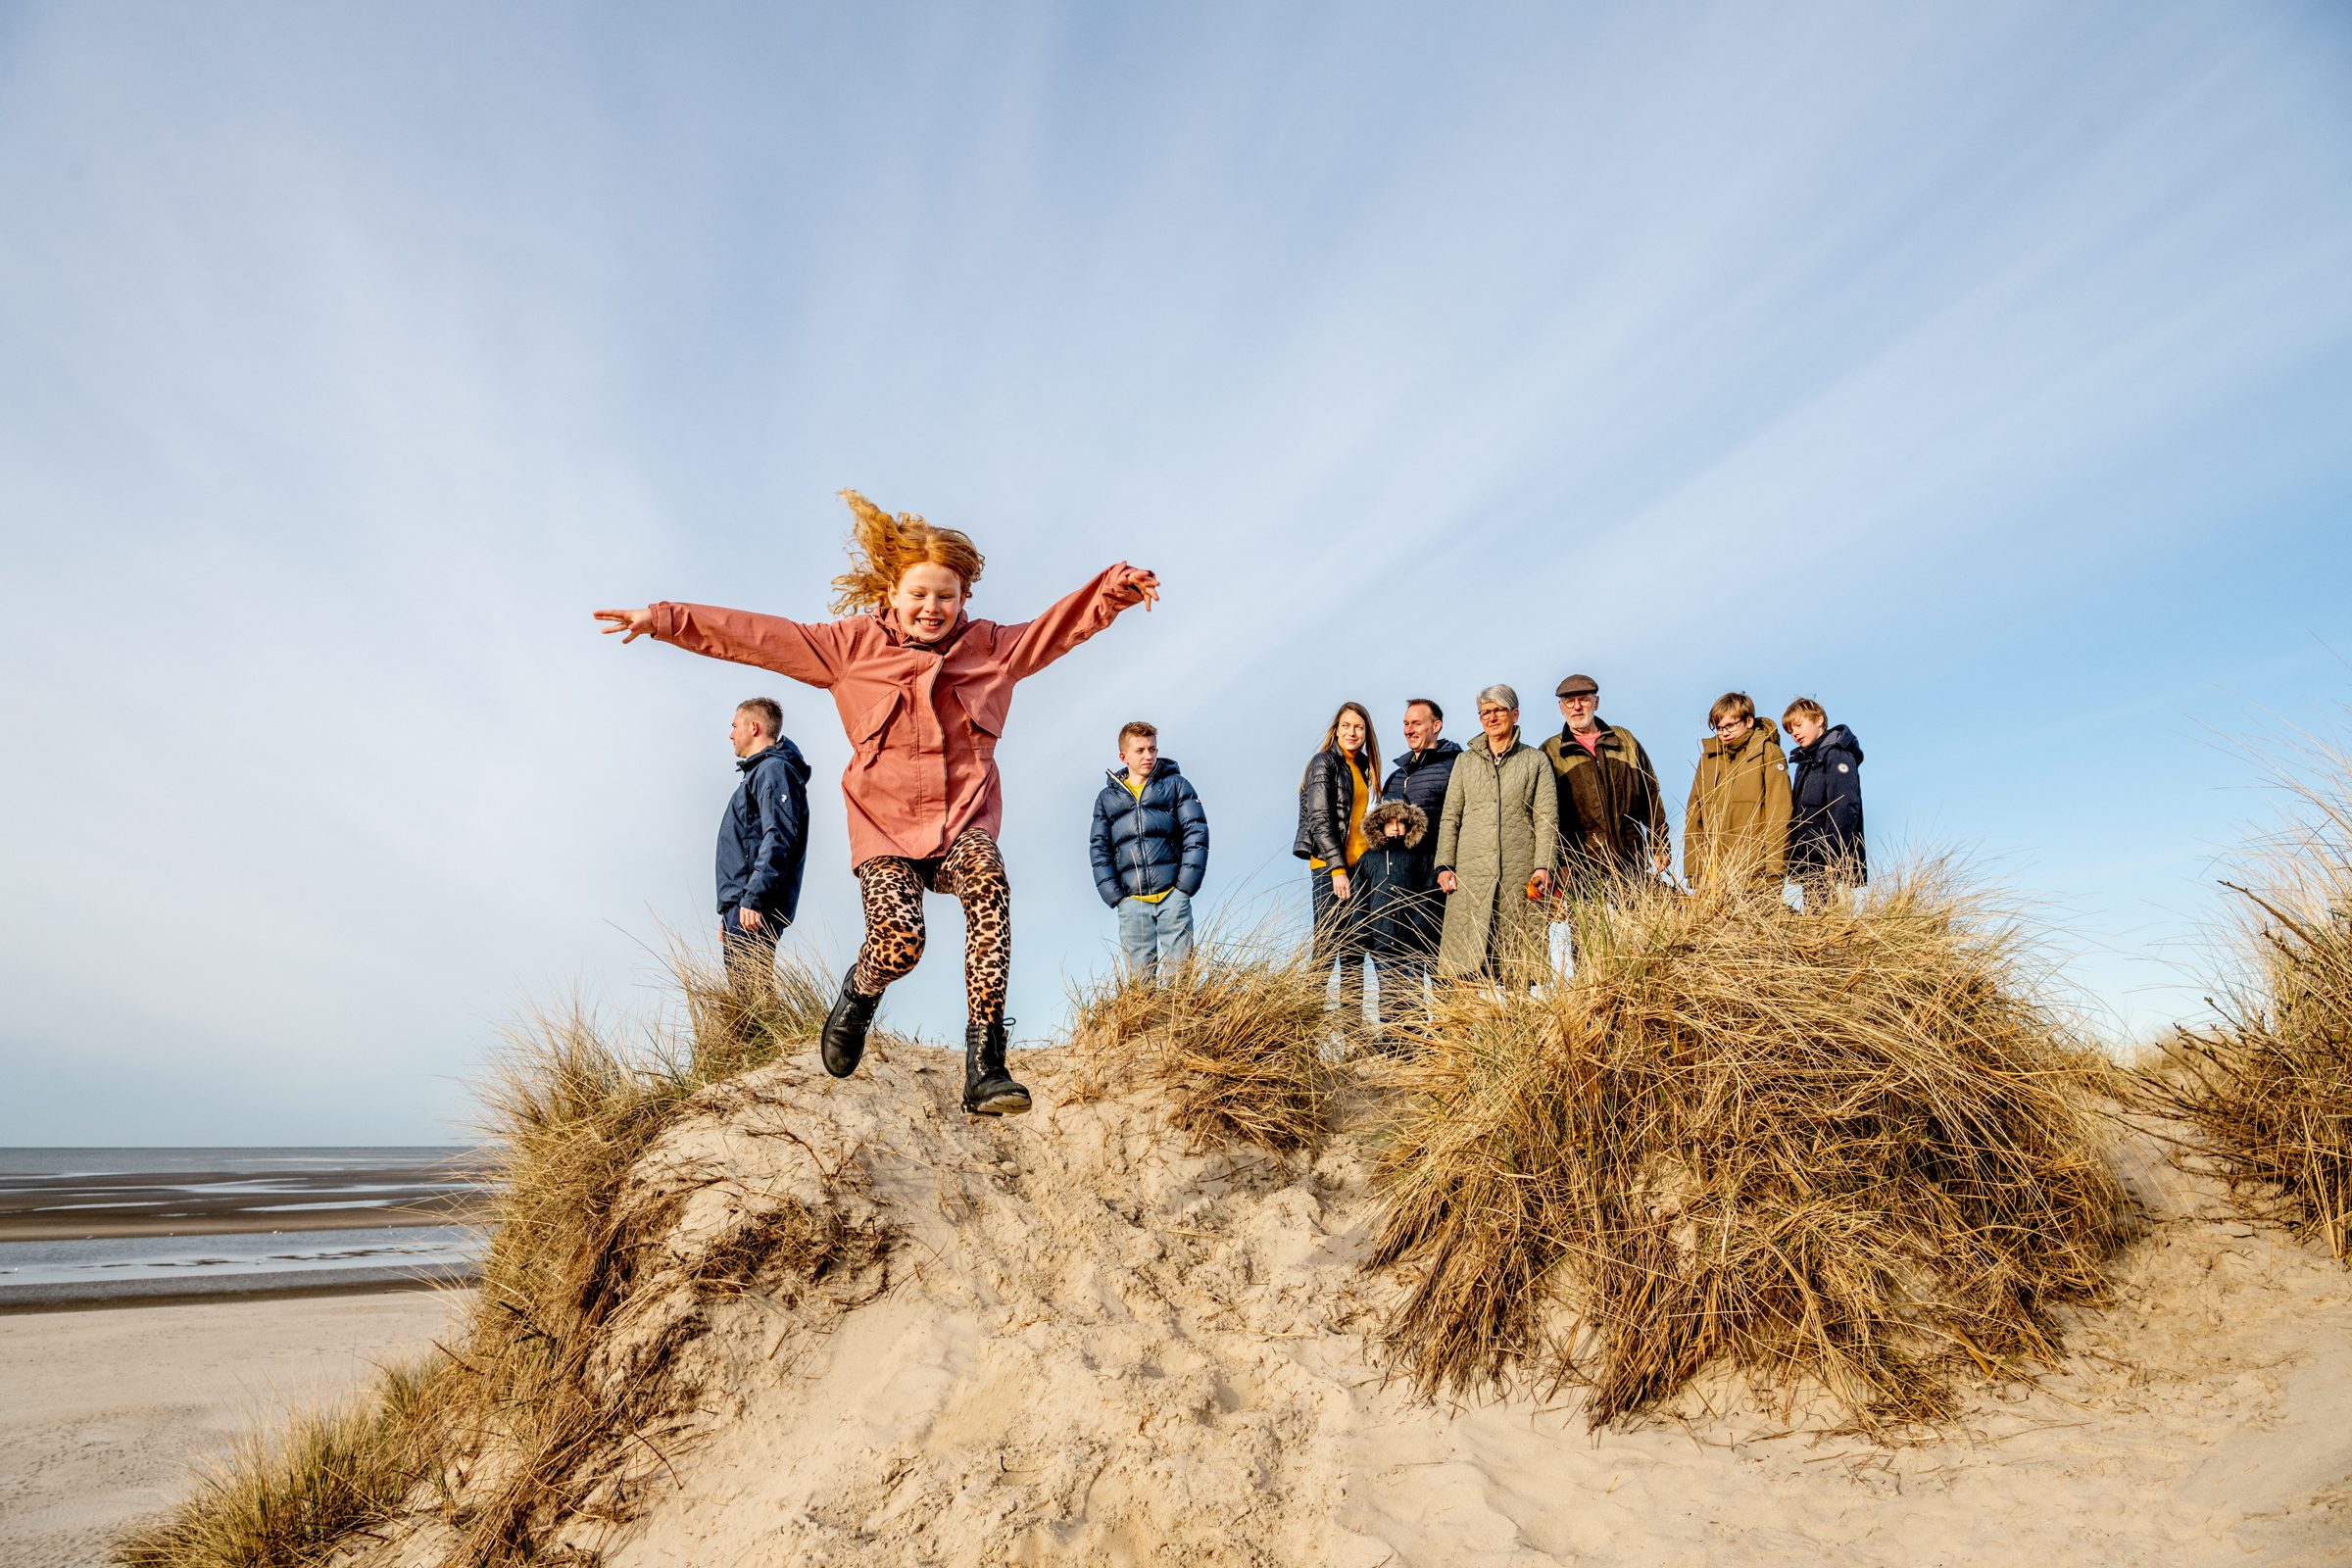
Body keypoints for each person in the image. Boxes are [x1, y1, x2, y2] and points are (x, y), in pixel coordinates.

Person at [596, 489, 1161, 1117]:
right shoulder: (849, 648)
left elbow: (1061, 626)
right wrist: (665, 619)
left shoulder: (993, 649)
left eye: (945, 595)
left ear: (964, 599)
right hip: (883, 832)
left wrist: (1116, 587)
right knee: (900, 943)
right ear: (890, 593)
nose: (932, 607)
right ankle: (858, 996)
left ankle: (985, 1063)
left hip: (961, 826)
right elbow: (759, 637)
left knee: (990, 883)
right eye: (918, 593)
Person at [1433, 685, 1558, 988]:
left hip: (1519, 873)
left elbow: (1546, 819)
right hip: (1470, 874)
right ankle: (1463, 1031)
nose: (1492, 717)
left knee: (1519, 964)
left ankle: (1517, 1029)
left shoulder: (1536, 761)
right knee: (1463, 969)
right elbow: (1451, 816)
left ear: (1515, 714)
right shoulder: (1465, 762)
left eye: (1499, 710)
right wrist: (1444, 865)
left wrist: (1544, 865)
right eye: (1485, 712)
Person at [1089, 720, 1209, 983]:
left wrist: (1184, 886)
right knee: (1140, 987)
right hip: (1132, 902)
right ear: (1124, 756)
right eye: (1140, 750)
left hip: (1173, 896)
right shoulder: (1107, 799)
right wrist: (1117, 897)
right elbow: (1099, 848)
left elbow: (1196, 832)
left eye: (1152, 749)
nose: (1148, 756)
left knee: (1181, 982)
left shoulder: (1176, 785)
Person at [717, 697, 812, 1003]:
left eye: (734, 726)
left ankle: (773, 1047)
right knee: (746, 994)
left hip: (753, 907)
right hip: (742, 908)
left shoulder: (773, 770)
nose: (730, 734)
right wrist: (728, 911)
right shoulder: (760, 773)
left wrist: (752, 899)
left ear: (753, 727)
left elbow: (779, 836)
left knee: (751, 998)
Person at [1294, 702, 1381, 1033]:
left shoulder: (1361, 767)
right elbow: (1320, 819)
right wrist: (1336, 869)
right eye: (1346, 726)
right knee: (1327, 949)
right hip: (1332, 869)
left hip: (1360, 868)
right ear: (1336, 728)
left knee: (1355, 951)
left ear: (1366, 732)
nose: (1352, 732)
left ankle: (1353, 1039)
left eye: (1358, 727)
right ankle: (1299, 1037)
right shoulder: (1324, 763)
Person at [1380, 699, 1461, 1002]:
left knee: (1443, 964)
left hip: (1439, 878)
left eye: (1416, 723)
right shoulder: (1396, 775)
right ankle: (1412, 1042)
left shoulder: (1455, 764)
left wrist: (1449, 865)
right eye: (1405, 723)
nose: (1408, 729)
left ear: (1435, 726)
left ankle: (1449, 1038)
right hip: (1402, 882)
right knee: (1405, 967)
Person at [1684, 691, 1791, 897]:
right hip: (1712, 878)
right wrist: (1694, 870)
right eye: (1718, 727)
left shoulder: (1768, 753)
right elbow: (1693, 816)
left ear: (1749, 721)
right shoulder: (1708, 760)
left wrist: (1776, 869)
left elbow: (1780, 814)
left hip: (1757, 875)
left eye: (1730, 725)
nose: (1724, 732)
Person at [1353, 799, 1434, 1043]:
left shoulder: (1419, 855)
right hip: (1381, 940)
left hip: (1413, 939)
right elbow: (1360, 898)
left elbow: (1428, 890)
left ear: (1409, 825)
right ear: (1380, 826)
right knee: (1388, 993)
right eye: (1389, 823)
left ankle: (1417, 1046)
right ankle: (1391, 1046)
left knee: (1413, 993)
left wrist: (1421, 923)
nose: (1395, 828)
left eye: (1400, 822)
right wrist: (1361, 934)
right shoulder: (1369, 859)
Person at [1783, 698, 1866, 910]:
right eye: (1791, 730)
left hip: (1829, 857)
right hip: (1810, 855)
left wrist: (1834, 854)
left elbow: (1845, 806)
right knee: (1814, 915)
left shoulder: (1837, 754)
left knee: (1827, 918)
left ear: (1818, 719)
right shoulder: (1806, 761)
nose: (1795, 734)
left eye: (1799, 725)